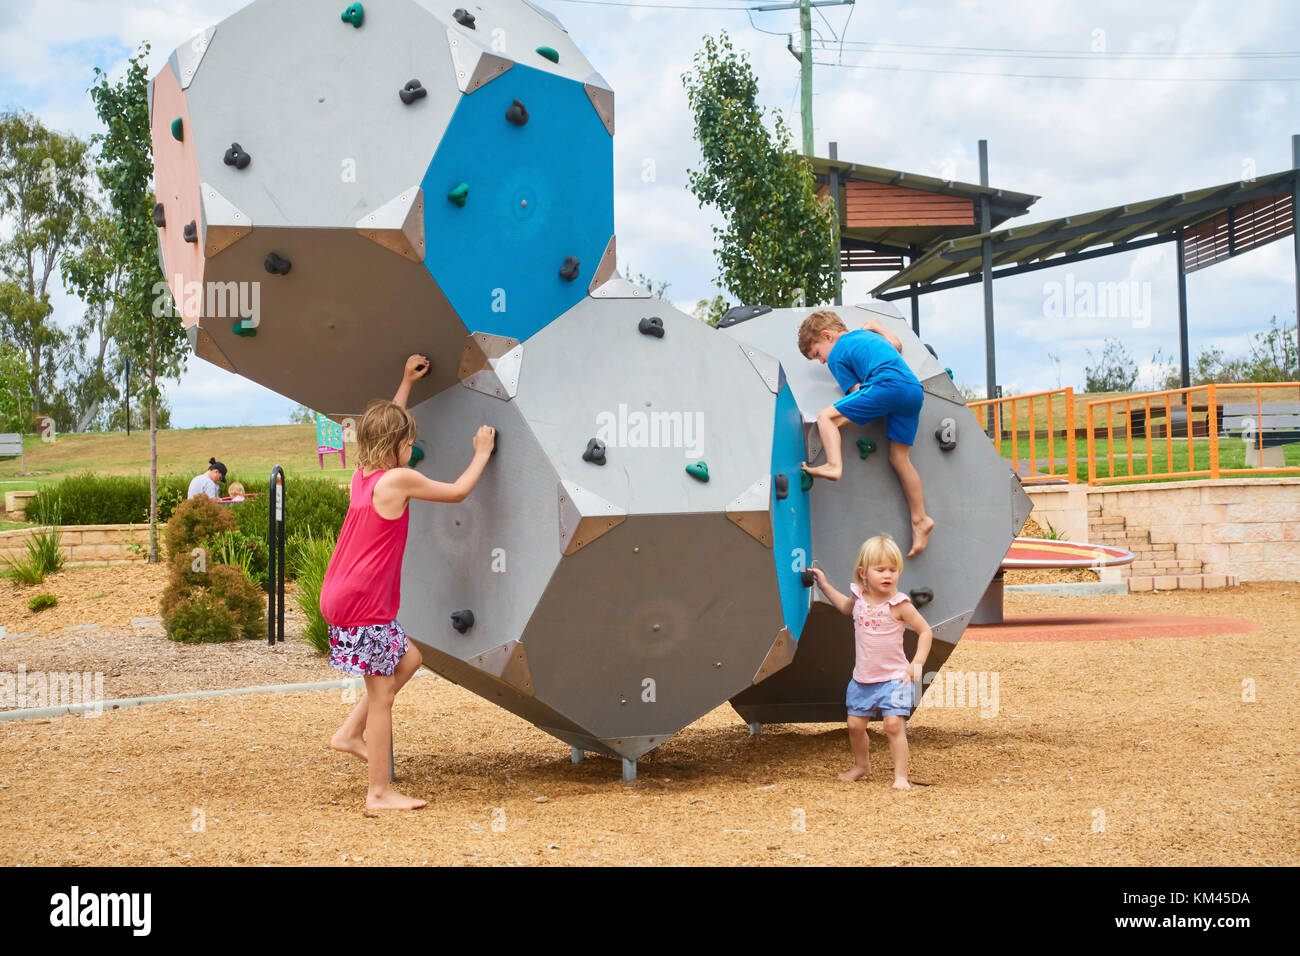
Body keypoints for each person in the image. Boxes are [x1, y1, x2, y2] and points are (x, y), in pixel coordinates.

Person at [320, 353, 495, 811]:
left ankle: (349, 733)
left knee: (410, 657)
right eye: (409, 442)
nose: (412, 447)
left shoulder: (366, 474)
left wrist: (405, 383)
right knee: (382, 698)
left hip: (343, 594)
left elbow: (383, 429)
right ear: (398, 446)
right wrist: (481, 454)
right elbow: (457, 491)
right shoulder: (398, 479)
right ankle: (379, 792)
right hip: (363, 604)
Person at [798, 310, 935, 557]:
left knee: (826, 417)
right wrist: (877, 325)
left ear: (827, 336)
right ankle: (920, 519)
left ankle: (833, 465)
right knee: (899, 458)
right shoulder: (868, 336)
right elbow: (897, 344)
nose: (821, 361)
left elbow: (856, 391)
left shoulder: (837, 354)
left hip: (886, 386)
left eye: (817, 354)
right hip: (912, 391)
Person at [809, 535, 933, 789]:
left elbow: (926, 631)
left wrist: (917, 663)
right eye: (880, 570)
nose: (888, 575)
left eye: (893, 570)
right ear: (863, 573)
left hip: (895, 679)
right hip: (863, 679)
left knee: (893, 725)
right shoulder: (859, 599)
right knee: (854, 725)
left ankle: (900, 777)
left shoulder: (899, 605)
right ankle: (861, 765)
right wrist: (823, 585)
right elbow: (845, 606)